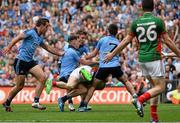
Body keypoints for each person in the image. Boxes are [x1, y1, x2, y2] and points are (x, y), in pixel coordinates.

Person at [104, 0, 180, 122]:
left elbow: (125, 41)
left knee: (154, 88)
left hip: (142, 59)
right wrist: (179, 54)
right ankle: (139, 100)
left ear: (141, 7)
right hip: (154, 57)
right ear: (154, 7)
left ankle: (154, 119)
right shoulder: (158, 21)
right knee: (160, 88)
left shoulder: (136, 23)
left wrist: (112, 54)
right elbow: (168, 41)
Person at [2, 18, 64, 112]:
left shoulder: (40, 37)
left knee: (43, 77)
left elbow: (47, 47)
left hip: (30, 61)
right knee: (19, 86)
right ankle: (7, 102)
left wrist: (59, 53)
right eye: (46, 26)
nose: (47, 29)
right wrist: (9, 46)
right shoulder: (31, 32)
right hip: (21, 61)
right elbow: (18, 37)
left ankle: (36, 102)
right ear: (41, 26)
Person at [81, 23, 139, 112]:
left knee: (93, 86)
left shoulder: (102, 40)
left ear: (108, 31)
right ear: (116, 33)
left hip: (104, 66)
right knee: (126, 81)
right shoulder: (118, 42)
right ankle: (135, 96)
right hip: (115, 66)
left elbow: (94, 54)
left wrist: (85, 58)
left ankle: (84, 105)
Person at [47, 35, 97, 111]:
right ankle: (53, 83)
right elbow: (83, 62)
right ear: (73, 42)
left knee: (83, 89)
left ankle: (64, 100)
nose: (78, 43)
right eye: (77, 41)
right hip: (68, 74)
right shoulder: (72, 51)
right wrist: (96, 63)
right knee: (70, 86)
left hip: (67, 73)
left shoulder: (68, 51)